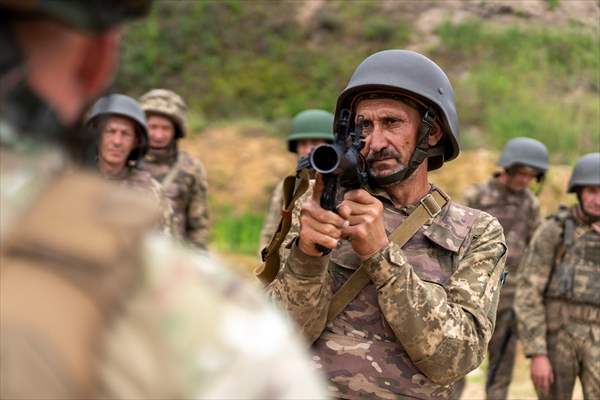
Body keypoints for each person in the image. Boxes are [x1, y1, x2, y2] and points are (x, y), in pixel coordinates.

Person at [0, 2, 327, 399]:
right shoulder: (210, 327)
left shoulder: (182, 173)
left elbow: (198, 223)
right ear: (96, 60)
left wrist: (193, 258)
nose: (125, 140)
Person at [267, 49, 507, 399]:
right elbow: (276, 341)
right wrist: (306, 258)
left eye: (392, 123)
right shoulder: (321, 208)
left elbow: (454, 359)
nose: (376, 142)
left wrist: (381, 256)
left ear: (433, 132)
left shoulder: (477, 232)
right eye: (365, 125)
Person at [453, 137, 548, 400]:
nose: (524, 180)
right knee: (456, 361)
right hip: (472, 292)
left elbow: (536, 245)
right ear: (508, 168)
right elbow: (456, 237)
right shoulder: (477, 195)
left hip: (509, 298)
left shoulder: (530, 202)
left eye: (531, 176)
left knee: (500, 371)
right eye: (521, 173)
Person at [515, 152, 600, 400]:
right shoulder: (555, 230)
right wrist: (537, 353)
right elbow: (529, 291)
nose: (598, 200)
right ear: (579, 192)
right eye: (592, 192)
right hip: (557, 338)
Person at [138, 89, 210, 250]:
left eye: (165, 128)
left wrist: (197, 260)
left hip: (173, 260)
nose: (158, 135)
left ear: (176, 131)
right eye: (153, 127)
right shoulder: (126, 164)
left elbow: (198, 226)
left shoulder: (190, 169)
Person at [259, 109, 335, 251]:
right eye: (302, 144)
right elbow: (270, 231)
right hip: (292, 266)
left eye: (314, 143)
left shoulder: (342, 184)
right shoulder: (289, 186)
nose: (307, 150)